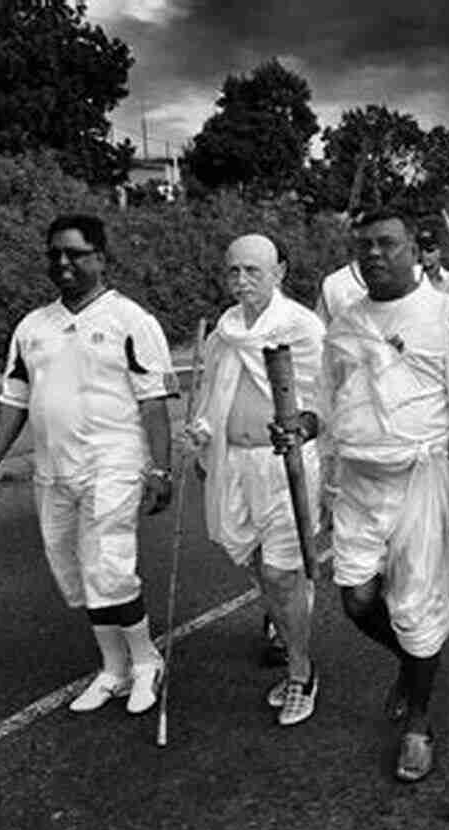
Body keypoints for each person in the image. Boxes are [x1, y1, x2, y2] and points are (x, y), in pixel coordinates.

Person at [275, 207, 449, 781]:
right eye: (364, 245)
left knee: (418, 609)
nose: (373, 253)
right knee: (356, 598)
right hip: (358, 482)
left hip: (423, 479)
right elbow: (327, 398)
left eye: (387, 244)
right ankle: (411, 659)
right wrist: (303, 424)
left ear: (415, 249)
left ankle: (419, 725)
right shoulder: (345, 321)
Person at [0, 214, 176, 715]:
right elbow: (12, 399)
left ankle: (147, 662)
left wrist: (161, 470)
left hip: (114, 462)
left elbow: (153, 402)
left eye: (75, 253)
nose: (62, 262)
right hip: (55, 469)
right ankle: (113, 668)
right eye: (54, 254)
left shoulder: (132, 321)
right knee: (77, 572)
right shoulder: (32, 327)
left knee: (108, 565)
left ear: (100, 258)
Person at [186, 235, 325, 726]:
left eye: (253, 271)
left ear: (280, 271)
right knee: (255, 565)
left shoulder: (302, 328)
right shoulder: (221, 334)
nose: (241, 281)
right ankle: (290, 634)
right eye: (234, 271)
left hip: (285, 467)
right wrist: (201, 437)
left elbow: (325, 402)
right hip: (234, 465)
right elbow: (209, 398)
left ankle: (301, 672)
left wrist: (304, 429)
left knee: (279, 574)